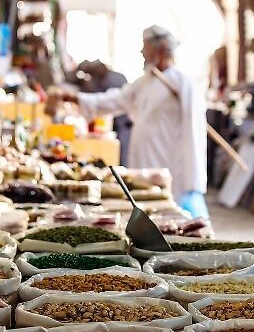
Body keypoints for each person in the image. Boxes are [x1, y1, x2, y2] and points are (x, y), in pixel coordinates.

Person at [47, 25, 209, 219]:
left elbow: (194, 132)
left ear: (162, 48)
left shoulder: (182, 83)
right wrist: (74, 98)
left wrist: (192, 177)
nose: (142, 52)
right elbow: (115, 100)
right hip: (144, 161)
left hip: (172, 164)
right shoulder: (145, 82)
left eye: (146, 46)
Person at [76, 60, 132, 166]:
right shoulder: (98, 80)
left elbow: (107, 102)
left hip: (124, 125)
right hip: (113, 125)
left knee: (123, 157)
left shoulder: (115, 79)